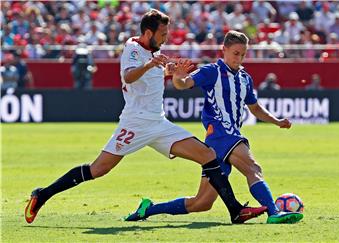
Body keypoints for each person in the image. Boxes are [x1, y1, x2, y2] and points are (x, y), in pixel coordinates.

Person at [25, 10, 267, 225]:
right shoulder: (132, 48)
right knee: (98, 169)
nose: (166, 37)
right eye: (163, 33)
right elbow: (129, 77)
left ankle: (236, 211)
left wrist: (172, 72)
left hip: (159, 123)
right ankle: (42, 194)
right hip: (136, 122)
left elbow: (150, 81)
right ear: (148, 32)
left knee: (209, 156)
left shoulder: (155, 51)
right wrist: (151, 65)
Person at [125, 31, 303, 224]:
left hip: (220, 141)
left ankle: (149, 209)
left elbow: (255, 108)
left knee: (201, 203)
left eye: (243, 54)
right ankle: (274, 212)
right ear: (224, 50)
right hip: (221, 133)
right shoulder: (212, 71)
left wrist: (276, 121)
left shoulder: (245, 78)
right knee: (253, 168)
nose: (239, 58)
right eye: (235, 53)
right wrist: (177, 75)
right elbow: (183, 84)